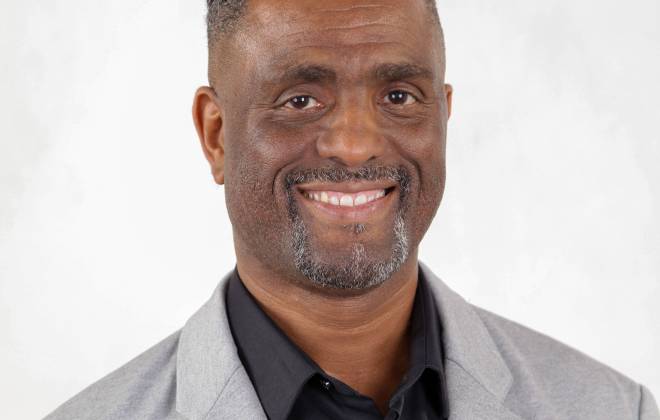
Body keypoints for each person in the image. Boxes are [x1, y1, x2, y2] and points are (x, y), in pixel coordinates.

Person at [45, 0, 659, 419]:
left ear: (443, 115)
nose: (356, 143)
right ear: (216, 134)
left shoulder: (612, 408)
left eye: (399, 95)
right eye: (300, 99)